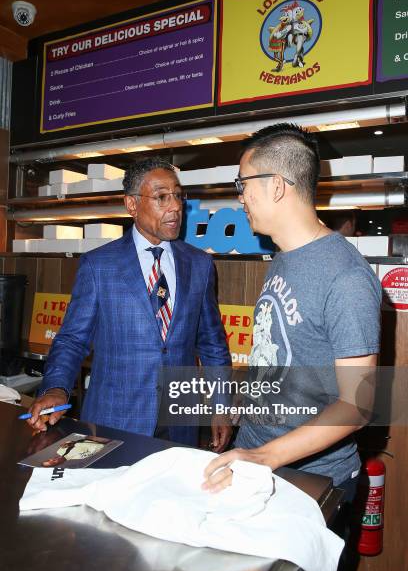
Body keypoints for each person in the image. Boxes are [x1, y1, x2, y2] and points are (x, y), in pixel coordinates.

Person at [202, 123, 381, 498]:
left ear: (277, 185)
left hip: (310, 478)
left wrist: (262, 457)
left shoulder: (347, 276)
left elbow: (357, 405)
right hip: (257, 456)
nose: (241, 197)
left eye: (243, 184)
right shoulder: (286, 256)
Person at [28, 157, 231, 450]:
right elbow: (72, 340)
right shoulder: (99, 265)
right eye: (162, 197)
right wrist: (56, 388)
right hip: (114, 423)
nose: (175, 206)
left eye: (178, 195)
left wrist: (220, 404)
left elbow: (212, 343)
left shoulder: (199, 264)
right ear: (132, 205)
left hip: (179, 426)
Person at [42, 436, 110, 467]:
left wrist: (69, 443)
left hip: (86, 437)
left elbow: (71, 441)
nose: (52, 459)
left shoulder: (60, 451)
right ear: (59, 464)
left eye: (49, 460)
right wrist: (95, 440)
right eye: (53, 462)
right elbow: (99, 448)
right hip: (98, 440)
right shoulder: (78, 457)